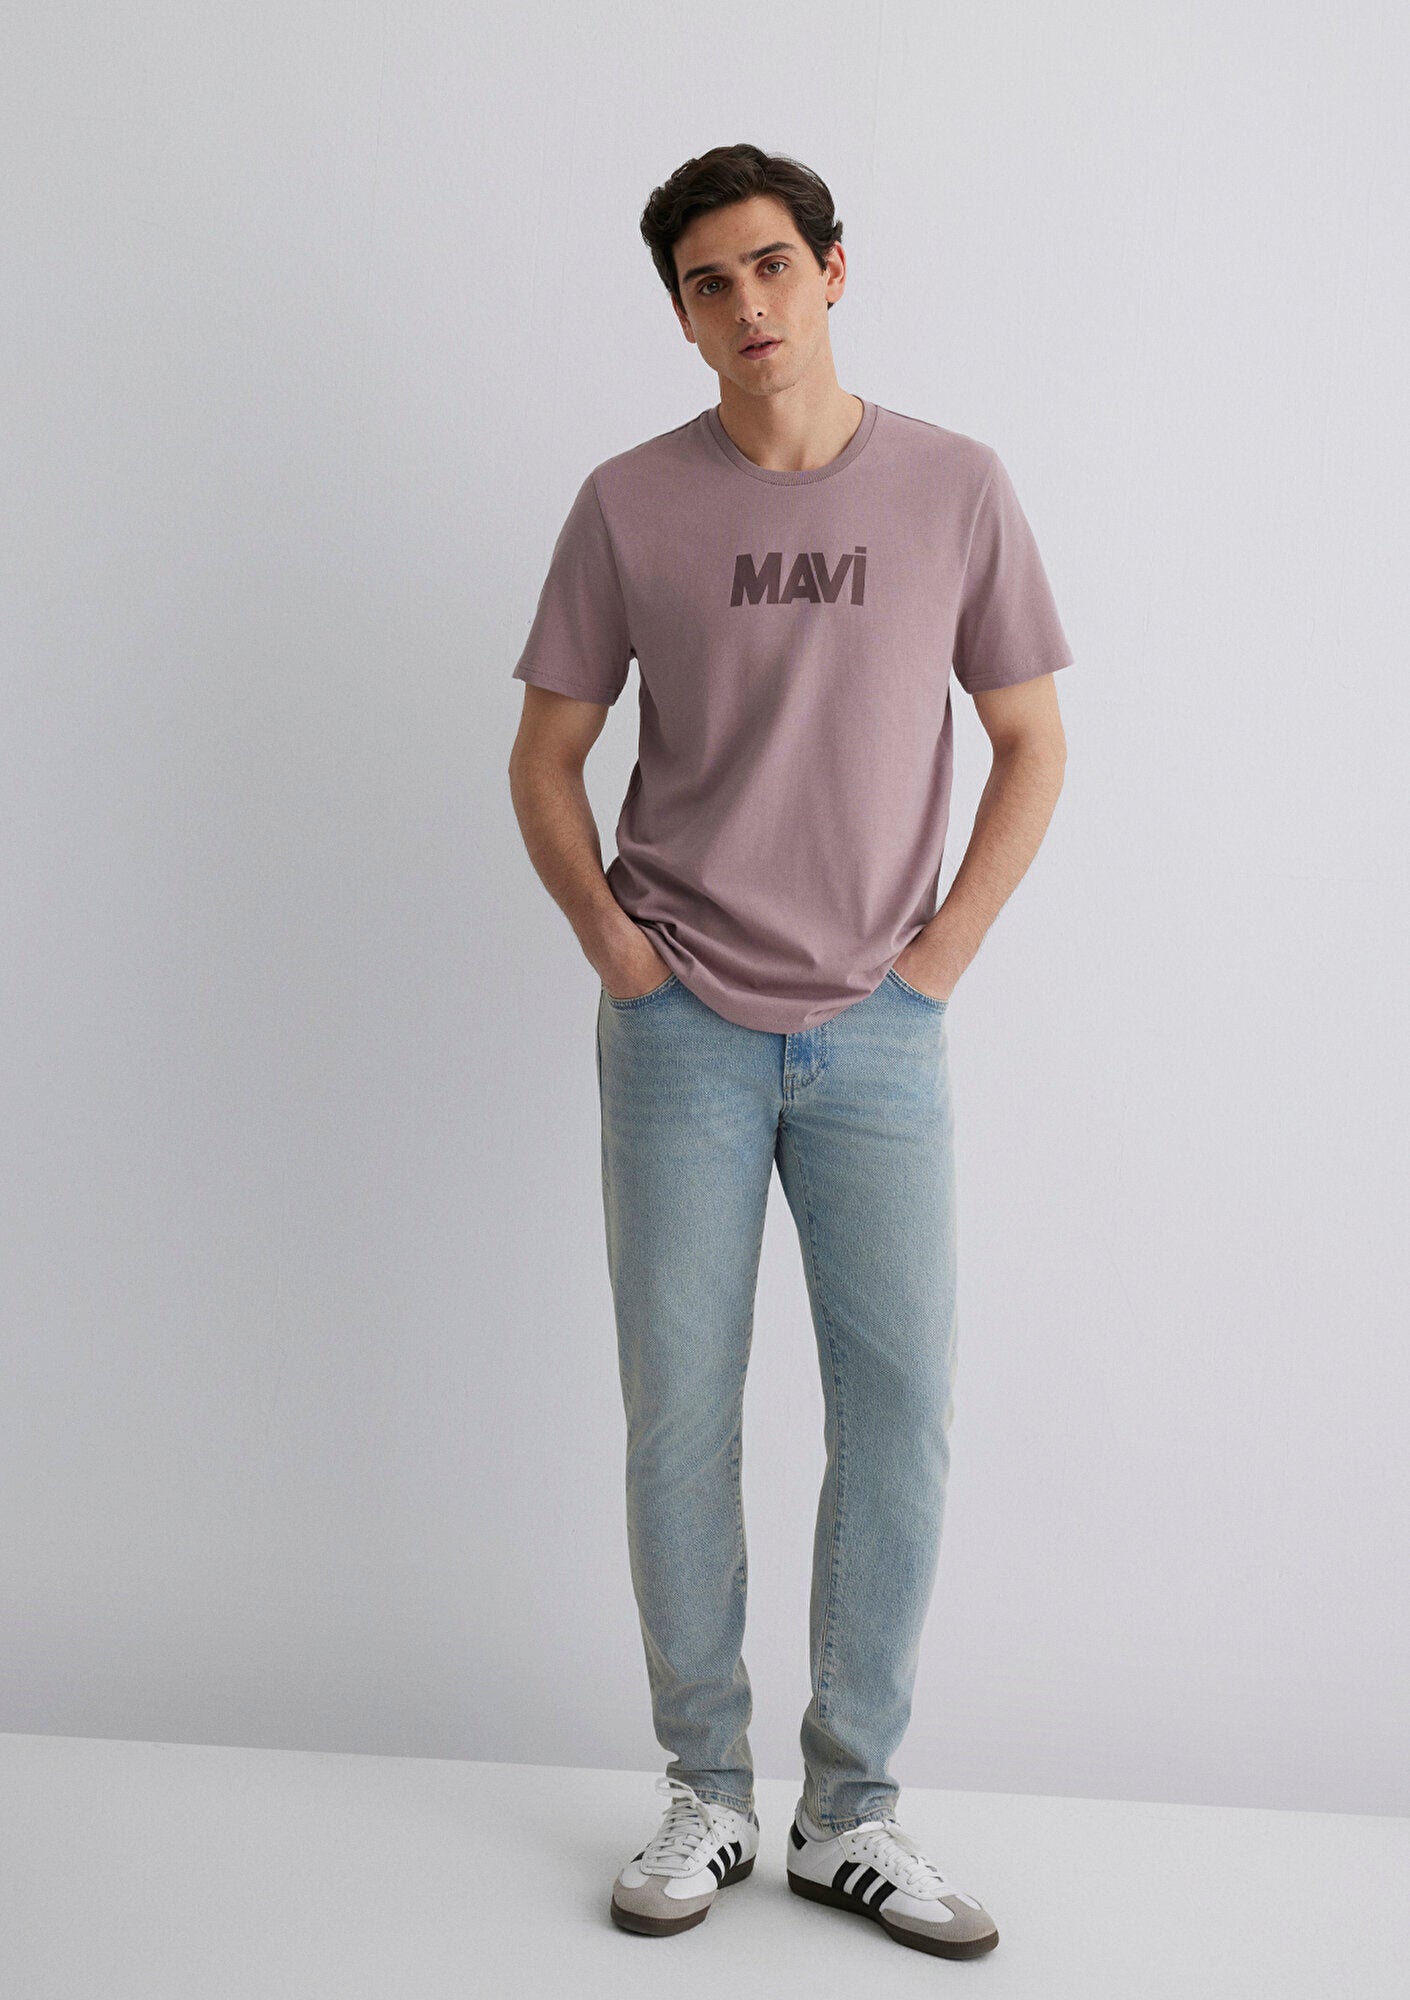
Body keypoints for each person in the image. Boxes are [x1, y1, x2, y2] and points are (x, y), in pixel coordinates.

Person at [507, 142, 1072, 1960]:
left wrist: (934, 965)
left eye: (769, 265)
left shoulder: (956, 486)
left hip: (878, 1035)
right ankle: (704, 1790)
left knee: (897, 1417)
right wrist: (619, 954)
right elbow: (544, 757)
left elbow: (1031, 741)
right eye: (706, 282)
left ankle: (850, 1812)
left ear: (833, 270)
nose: (745, 304)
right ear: (679, 315)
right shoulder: (626, 504)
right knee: (679, 1415)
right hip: (676, 1025)